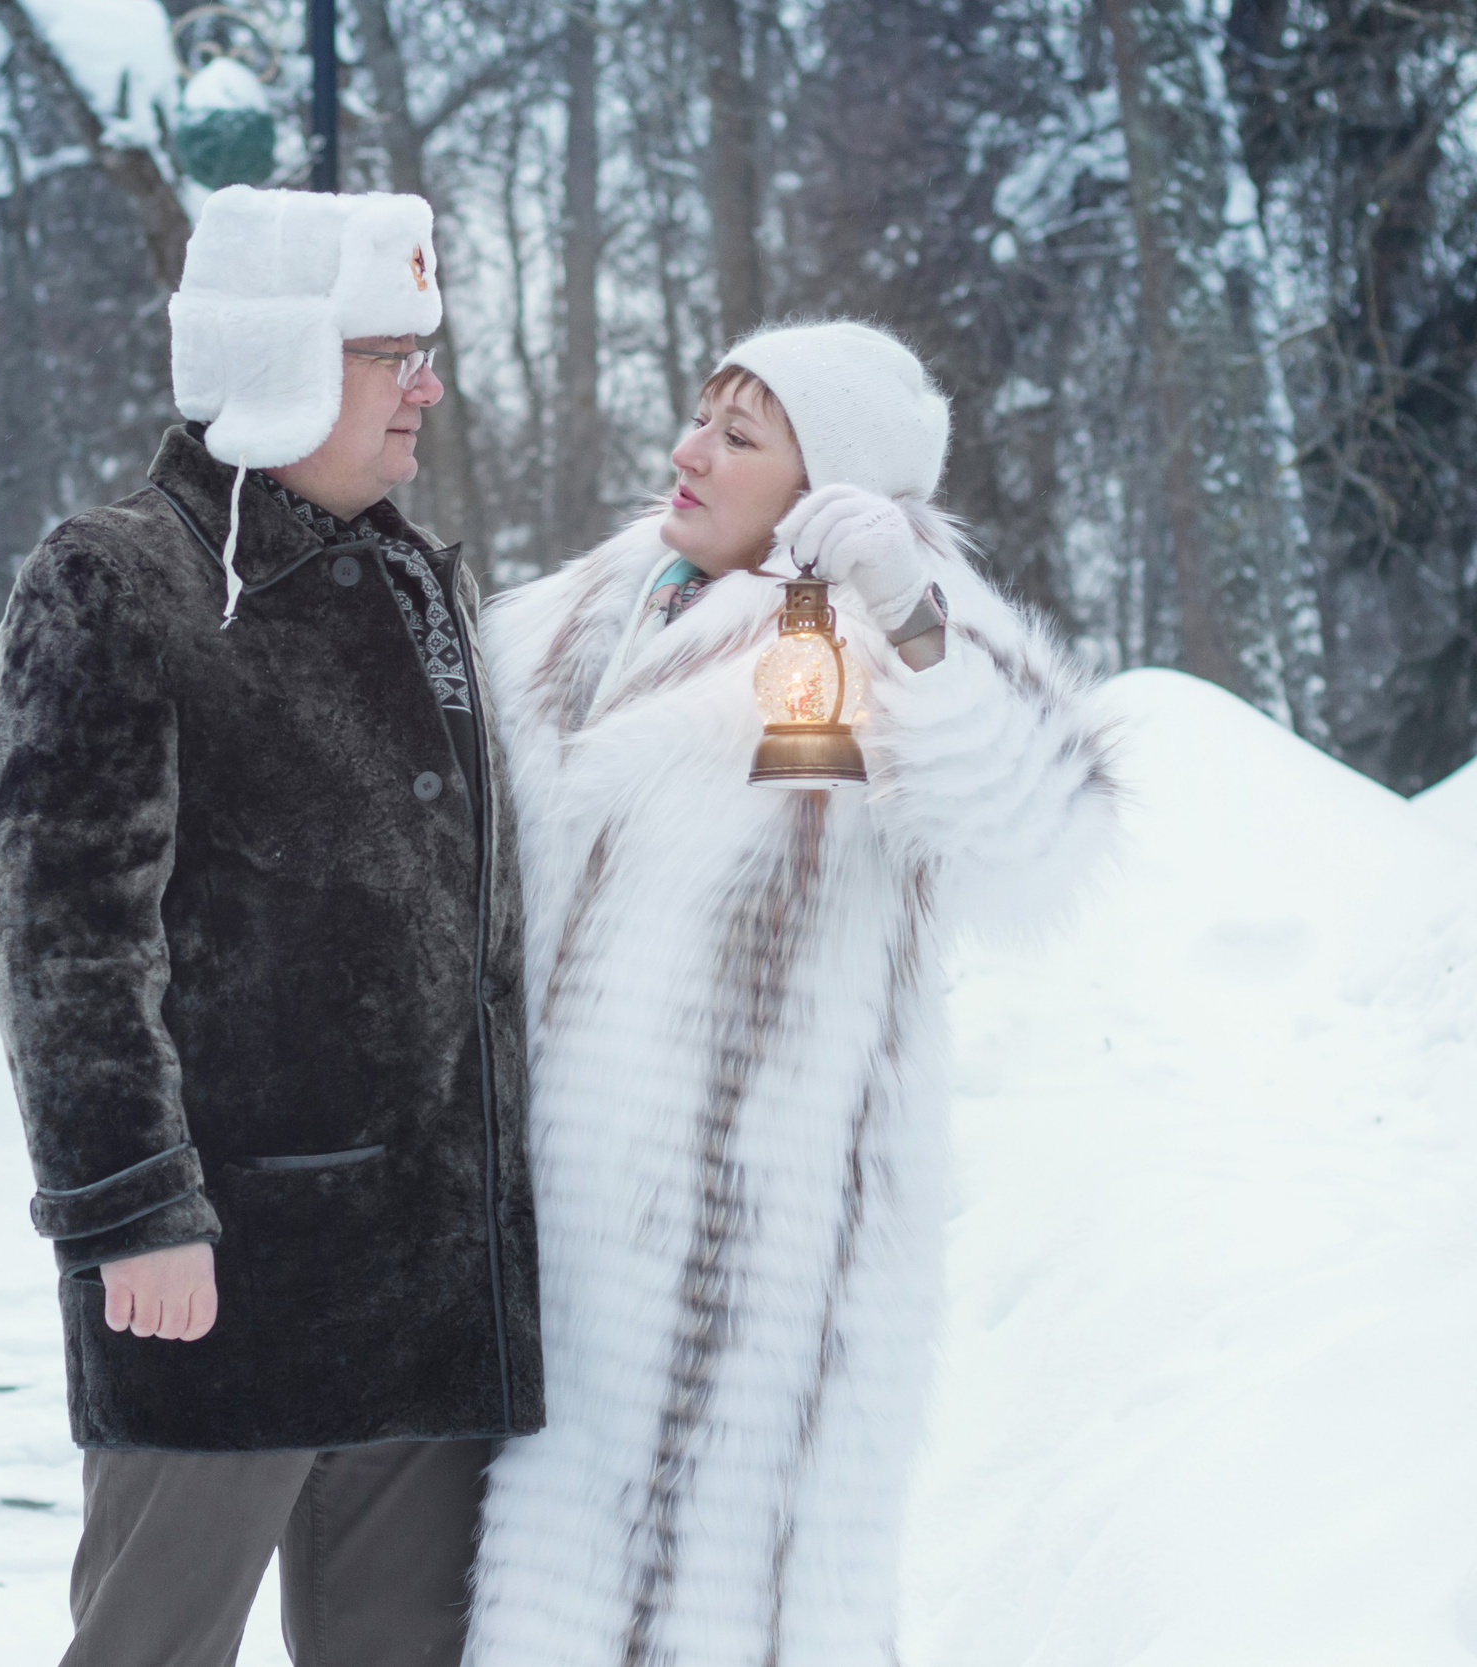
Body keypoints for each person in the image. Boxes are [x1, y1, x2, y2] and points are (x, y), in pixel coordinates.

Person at [462, 321, 1120, 1667]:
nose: (687, 452)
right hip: (542, 1265)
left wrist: (904, 610)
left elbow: (1043, 831)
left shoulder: (896, 633)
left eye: (738, 435)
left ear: (835, 490)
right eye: (700, 416)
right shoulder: (578, 610)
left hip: (746, 1272)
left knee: (725, 1621)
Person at [0, 185, 543, 1667]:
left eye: (422, 348)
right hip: (220, 1283)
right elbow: (66, 939)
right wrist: (131, 1209)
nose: (426, 384)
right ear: (279, 354)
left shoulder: (424, 580)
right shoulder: (119, 580)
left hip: (426, 1279)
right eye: (386, 352)